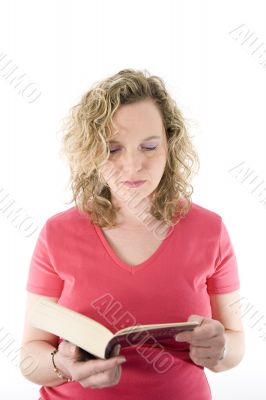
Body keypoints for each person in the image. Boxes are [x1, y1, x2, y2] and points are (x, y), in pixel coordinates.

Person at [20, 68, 245, 400]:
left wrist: (221, 349)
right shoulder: (58, 233)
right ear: (91, 153)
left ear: (170, 145)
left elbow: (236, 343)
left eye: (149, 146)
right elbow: (29, 356)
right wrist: (61, 364)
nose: (133, 164)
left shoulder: (209, 230)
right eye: (113, 149)